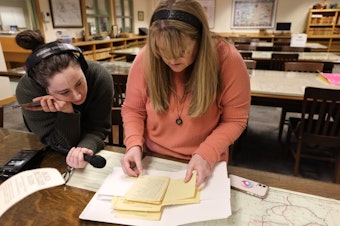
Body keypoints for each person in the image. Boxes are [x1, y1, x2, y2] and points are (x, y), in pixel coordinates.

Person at [120, 0, 251, 188]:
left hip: (206, 161)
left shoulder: (227, 59)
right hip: (154, 159)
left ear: (200, 40)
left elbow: (235, 120)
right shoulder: (145, 58)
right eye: (162, 51)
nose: (171, 60)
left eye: (181, 51)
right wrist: (133, 144)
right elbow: (133, 109)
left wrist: (206, 153)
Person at [15, 30, 113, 169]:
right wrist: (67, 112)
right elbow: (58, 143)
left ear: (83, 67)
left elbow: (98, 129)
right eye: (64, 92)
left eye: (79, 83)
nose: (78, 96)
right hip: (52, 157)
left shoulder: (99, 76)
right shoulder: (28, 91)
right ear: (45, 90)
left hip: (87, 153)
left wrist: (84, 149)